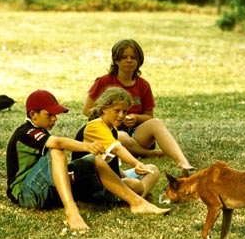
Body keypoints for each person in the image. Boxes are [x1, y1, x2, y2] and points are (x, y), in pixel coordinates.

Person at [6, 90, 170, 231]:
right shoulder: (26, 132)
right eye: (49, 115)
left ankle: (137, 203)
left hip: (46, 190)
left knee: (96, 160)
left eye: (55, 115)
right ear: (33, 114)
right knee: (56, 151)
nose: (54, 119)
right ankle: (71, 211)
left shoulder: (40, 131)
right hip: (26, 193)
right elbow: (57, 143)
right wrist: (87, 147)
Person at [83, 39, 195, 172]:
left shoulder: (143, 85)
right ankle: (149, 154)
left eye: (133, 57)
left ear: (139, 61)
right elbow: (87, 109)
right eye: (124, 57)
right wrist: (110, 116)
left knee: (156, 123)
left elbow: (149, 116)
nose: (129, 60)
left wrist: (136, 118)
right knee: (121, 136)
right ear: (116, 60)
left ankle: (182, 162)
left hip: (136, 134)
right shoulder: (103, 81)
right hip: (111, 132)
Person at [74, 87, 162, 198]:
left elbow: (112, 165)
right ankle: (135, 198)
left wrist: (126, 178)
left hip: (108, 176)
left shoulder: (112, 129)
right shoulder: (94, 126)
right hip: (92, 184)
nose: (121, 115)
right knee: (136, 185)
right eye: (117, 110)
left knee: (152, 170)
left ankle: (133, 197)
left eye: (124, 111)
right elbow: (117, 149)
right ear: (104, 108)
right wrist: (136, 163)